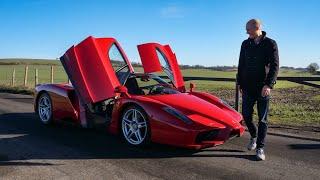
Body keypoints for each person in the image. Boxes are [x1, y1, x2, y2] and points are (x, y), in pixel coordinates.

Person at [237, 19, 279, 160]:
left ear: (257, 28)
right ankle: (253, 137)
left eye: (248, 29)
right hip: (248, 87)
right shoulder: (245, 44)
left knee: (262, 119)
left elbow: (275, 65)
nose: (246, 31)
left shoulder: (270, 43)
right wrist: (240, 84)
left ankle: (260, 148)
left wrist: (269, 85)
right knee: (246, 116)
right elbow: (241, 64)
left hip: (263, 88)